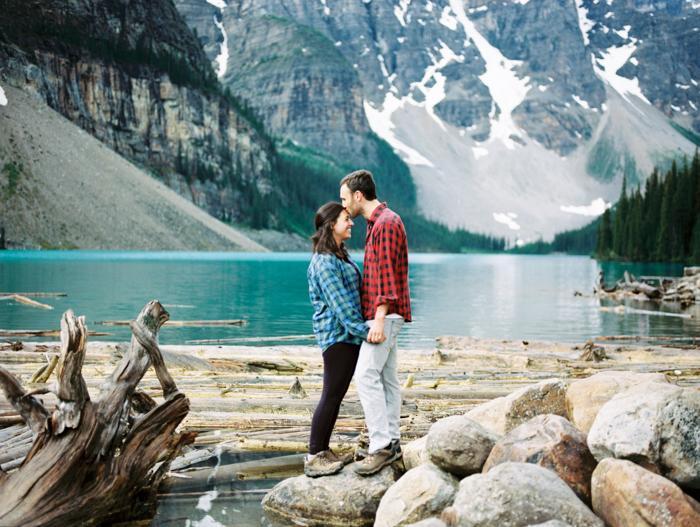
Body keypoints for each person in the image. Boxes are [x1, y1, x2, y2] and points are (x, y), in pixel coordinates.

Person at [340, 169, 411, 476]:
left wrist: (378, 319)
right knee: (387, 379)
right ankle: (392, 442)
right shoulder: (381, 221)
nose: (343, 206)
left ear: (358, 195)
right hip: (389, 314)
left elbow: (386, 277)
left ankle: (381, 446)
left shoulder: (384, 223)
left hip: (385, 315)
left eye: (344, 199)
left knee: (366, 376)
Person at [305, 202, 375, 477]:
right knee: (330, 396)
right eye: (346, 219)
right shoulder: (324, 262)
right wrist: (368, 332)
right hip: (337, 338)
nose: (352, 222)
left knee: (335, 395)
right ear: (332, 224)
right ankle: (313, 456)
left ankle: (323, 450)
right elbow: (342, 308)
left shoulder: (340, 256)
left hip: (347, 337)